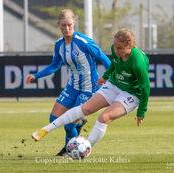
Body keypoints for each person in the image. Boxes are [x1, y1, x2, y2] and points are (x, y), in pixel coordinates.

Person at [32, 28, 150, 149]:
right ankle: (45, 129)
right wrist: (106, 76)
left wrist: (141, 111)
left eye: (120, 48)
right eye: (115, 46)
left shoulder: (137, 63)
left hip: (131, 93)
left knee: (104, 118)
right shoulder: (115, 50)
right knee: (86, 109)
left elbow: (145, 88)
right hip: (114, 84)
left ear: (130, 46)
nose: (116, 50)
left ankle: (85, 149)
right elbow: (114, 64)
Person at [26, 9, 111, 156]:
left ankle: (68, 150)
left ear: (74, 24)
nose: (67, 28)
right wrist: (36, 76)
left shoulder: (84, 42)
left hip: (89, 88)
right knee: (54, 119)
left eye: (70, 25)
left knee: (68, 124)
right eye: (63, 25)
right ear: (58, 24)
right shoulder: (59, 45)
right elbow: (54, 65)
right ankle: (79, 124)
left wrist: (109, 76)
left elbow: (104, 59)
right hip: (72, 86)